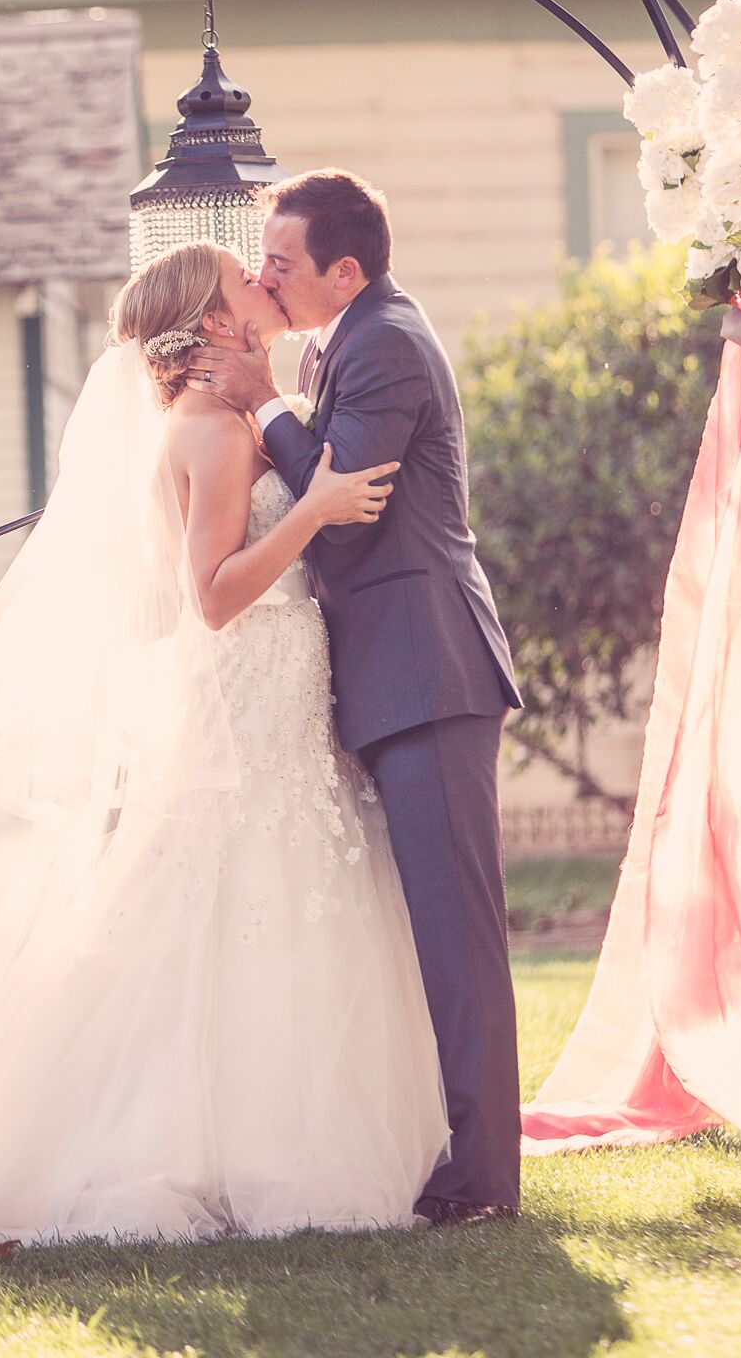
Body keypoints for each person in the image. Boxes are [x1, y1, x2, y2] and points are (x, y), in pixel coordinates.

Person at [0, 240, 449, 1248]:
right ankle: (215, 1146)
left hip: (272, 691)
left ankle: (249, 1133)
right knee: (238, 892)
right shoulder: (209, 429)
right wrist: (319, 509)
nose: (264, 284)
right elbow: (213, 596)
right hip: (248, 685)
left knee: (257, 896)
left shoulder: (227, 417)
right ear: (211, 320)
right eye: (247, 281)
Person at [188, 170, 523, 1224]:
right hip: (385, 674)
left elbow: (352, 507)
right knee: (419, 929)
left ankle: (480, 1180)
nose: (263, 273)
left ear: (346, 267)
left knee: (453, 932)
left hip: (427, 670)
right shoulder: (344, 337)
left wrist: (261, 400)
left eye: (280, 261)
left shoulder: (383, 340)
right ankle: (447, 1150)